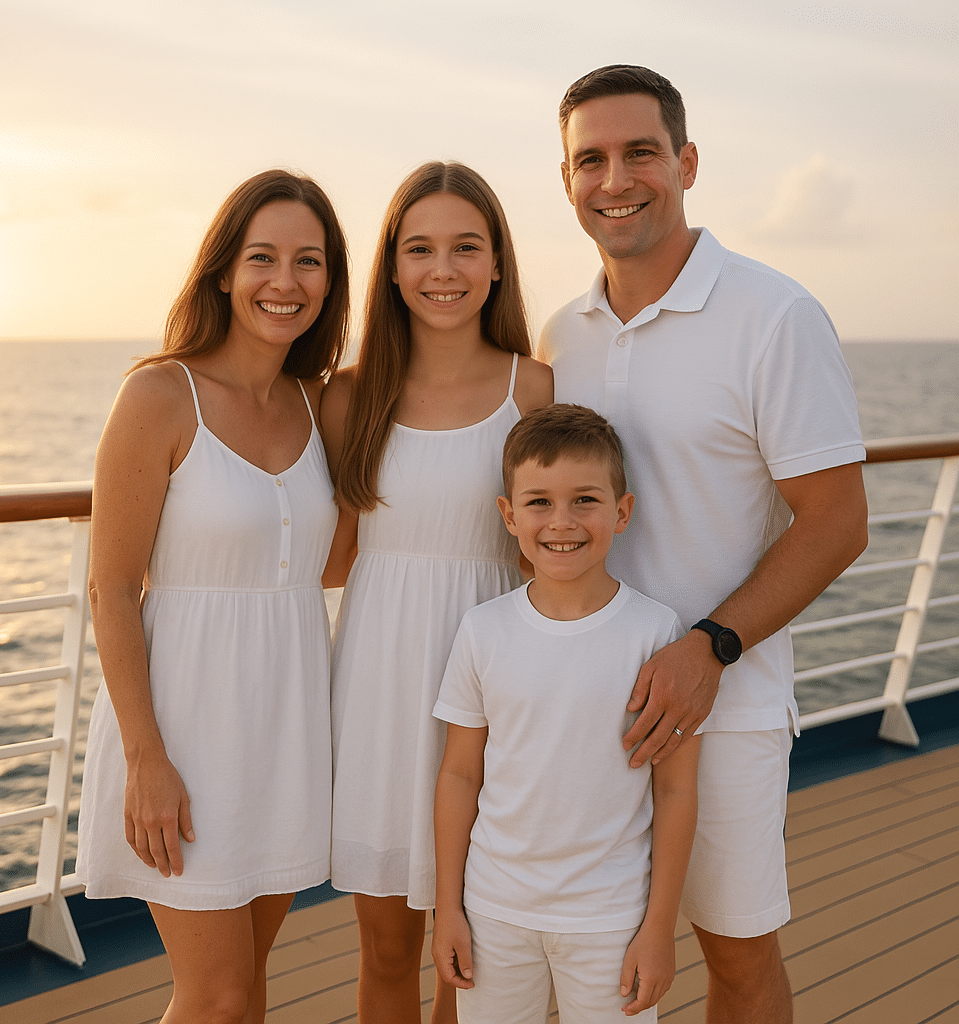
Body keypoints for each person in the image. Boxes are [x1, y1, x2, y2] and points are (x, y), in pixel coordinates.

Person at [538, 65, 869, 1023]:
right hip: (579, 710)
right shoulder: (563, 334)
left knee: (736, 958)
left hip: (724, 702)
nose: (616, 178)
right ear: (566, 182)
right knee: (584, 956)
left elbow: (837, 522)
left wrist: (709, 648)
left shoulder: (776, 316)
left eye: (640, 152)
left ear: (684, 162)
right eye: (589, 160)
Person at [76, 169, 350, 1024]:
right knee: (217, 999)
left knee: (249, 988)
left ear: (330, 282)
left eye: (309, 261)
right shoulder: (161, 394)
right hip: (183, 731)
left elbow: (326, 564)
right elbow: (111, 587)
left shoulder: (319, 404)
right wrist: (146, 758)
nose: (285, 281)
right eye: (262, 257)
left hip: (287, 729)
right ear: (224, 271)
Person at [320, 160, 553, 1024]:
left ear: (497, 263)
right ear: (390, 267)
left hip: (493, 694)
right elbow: (331, 551)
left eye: (465, 246)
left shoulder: (532, 388)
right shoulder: (347, 397)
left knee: (475, 951)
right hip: (379, 688)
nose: (442, 270)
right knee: (385, 950)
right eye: (418, 249)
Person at [432, 403, 701, 1022]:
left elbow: (677, 790)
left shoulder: (657, 635)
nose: (562, 522)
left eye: (585, 500)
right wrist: (450, 910)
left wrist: (660, 927)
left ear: (622, 512)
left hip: (610, 917)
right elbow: (459, 776)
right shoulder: (483, 630)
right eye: (538, 502)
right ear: (508, 515)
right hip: (495, 910)